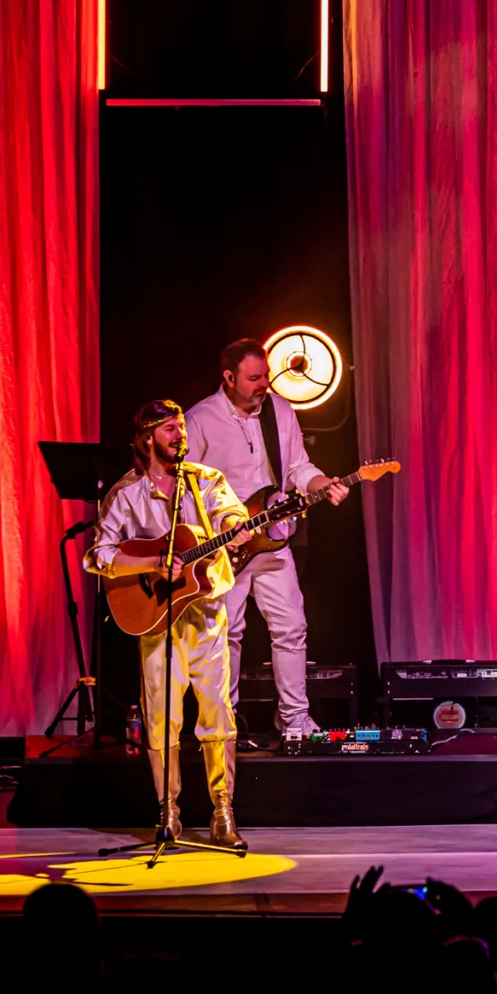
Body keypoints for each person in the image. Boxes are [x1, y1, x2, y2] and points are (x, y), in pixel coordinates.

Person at [84, 399, 252, 848]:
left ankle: (222, 812)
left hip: (206, 614)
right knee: (162, 720)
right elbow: (97, 555)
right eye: (171, 430)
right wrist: (155, 563)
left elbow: (227, 513)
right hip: (156, 618)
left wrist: (237, 525)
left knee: (218, 712)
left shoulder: (205, 481)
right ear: (147, 438)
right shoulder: (126, 493)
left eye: (182, 428)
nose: (181, 435)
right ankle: (168, 813)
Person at [185, 338, 349, 739]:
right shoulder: (201, 419)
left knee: (291, 627)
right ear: (228, 378)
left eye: (266, 376)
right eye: (254, 378)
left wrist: (321, 482)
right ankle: (225, 721)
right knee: (229, 634)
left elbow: (297, 465)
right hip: (227, 549)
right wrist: (219, 533)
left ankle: (293, 718)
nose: (264, 384)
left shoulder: (279, 409)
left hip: (274, 540)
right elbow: (186, 490)